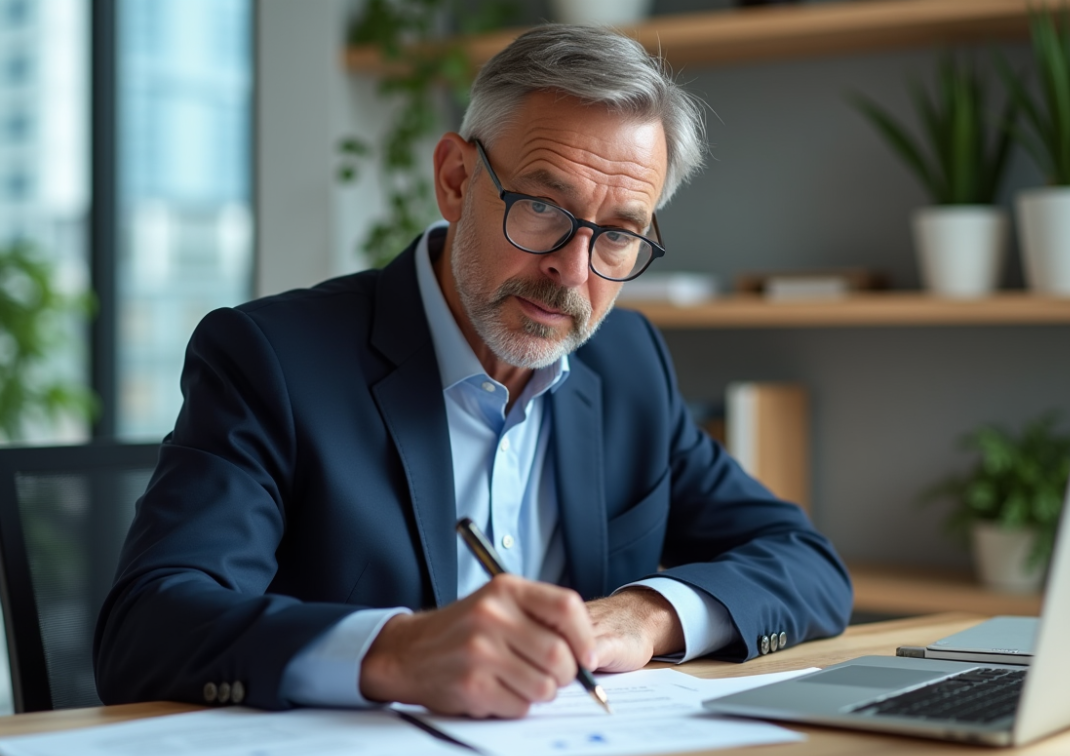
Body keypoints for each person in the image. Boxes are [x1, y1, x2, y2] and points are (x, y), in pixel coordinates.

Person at [94, 24, 852, 719]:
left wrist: (646, 615)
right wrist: (394, 651)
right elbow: (148, 628)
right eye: (543, 207)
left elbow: (806, 564)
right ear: (455, 179)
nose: (572, 271)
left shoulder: (628, 363)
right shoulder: (272, 358)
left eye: (619, 234)